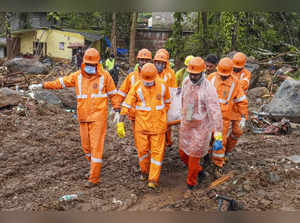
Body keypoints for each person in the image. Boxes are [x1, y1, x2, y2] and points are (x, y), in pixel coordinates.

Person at [29, 48, 120, 188]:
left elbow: (113, 94)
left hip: (98, 117)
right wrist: (42, 85)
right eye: (88, 64)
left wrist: (116, 109)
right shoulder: (77, 76)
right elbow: (61, 82)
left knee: (96, 147)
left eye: (93, 64)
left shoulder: (105, 76)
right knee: (86, 147)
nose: (90, 67)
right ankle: (93, 168)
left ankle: (94, 178)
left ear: (97, 64)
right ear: (84, 63)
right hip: (83, 117)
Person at [119, 63, 171, 189]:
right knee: (142, 152)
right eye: (145, 80)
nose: (147, 83)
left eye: (150, 81)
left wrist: (161, 116)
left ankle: (153, 179)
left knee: (157, 154)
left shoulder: (163, 86)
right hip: (141, 128)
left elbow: (168, 103)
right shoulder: (136, 86)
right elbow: (127, 104)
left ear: (155, 77)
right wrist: (120, 122)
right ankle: (144, 171)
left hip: (158, 127)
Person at [179, 57, 222, 191]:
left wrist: (218, 134)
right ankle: (200, 171)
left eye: (196, 74)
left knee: (193, 158)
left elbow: (215, 112)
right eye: (191, 73)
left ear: (202, 72)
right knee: (182, 154)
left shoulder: (208, 89)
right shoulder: (186, 82)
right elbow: (182, 100)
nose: (193, 76)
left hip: (201, 128)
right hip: (187, 125)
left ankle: (191, 184)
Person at [207, 57, 248, 175]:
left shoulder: (235, 83)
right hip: (209, 117)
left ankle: (217, 165)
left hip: (222, 119)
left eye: (225, 75)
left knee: (220, 141)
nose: (223, 77)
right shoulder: (211, 78)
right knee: (207, 138)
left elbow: (242, 100)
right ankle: (206, 158)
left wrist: (244, 117)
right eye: (222, 74)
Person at [116, 48, 152, 148]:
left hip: (150, 115)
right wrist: (117, 107)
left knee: (151, 140)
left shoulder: (155, 76)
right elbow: (122, 93)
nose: (144, 62)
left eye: (146, 60)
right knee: (139, 141)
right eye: (142, 59)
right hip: (135, 115)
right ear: (138, 60)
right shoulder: (132, 76)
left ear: (150, 61)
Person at [227, 52, 251, 159]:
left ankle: (227, 150)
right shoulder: (228, 71)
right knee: (220, 132)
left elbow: (243, 86)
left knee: (237, 132)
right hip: (227, 106)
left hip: (239, 107)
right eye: (234, 67)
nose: (235, 69)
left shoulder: (246, 74)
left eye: (238, 68)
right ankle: (217, 152)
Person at [153, 50, 177, 147]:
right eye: (157, 62)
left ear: (165, 63)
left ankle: (168, 140)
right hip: (154, 102)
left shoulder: (170, 74)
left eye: (161, 63)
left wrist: (172, 103)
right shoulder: (152, 72)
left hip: (166, 103)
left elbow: (173, 89)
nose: (159, 64)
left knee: (167, 124)